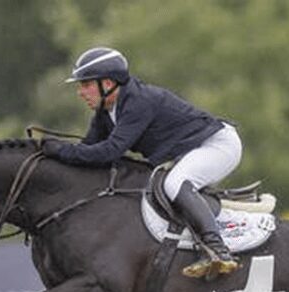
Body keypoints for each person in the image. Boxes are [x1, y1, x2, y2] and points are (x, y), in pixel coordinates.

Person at [41, 47, 242, 279]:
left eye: (85, 84)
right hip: (192, 150)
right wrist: (54, 155)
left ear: (107, 84)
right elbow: (88, 151)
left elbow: (109, 152)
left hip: (217, 145)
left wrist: (60, 150)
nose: (80, 92)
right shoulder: (106, 112)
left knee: (175, 183)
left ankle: (218, 250)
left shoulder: (138, 101)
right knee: (167, 183)